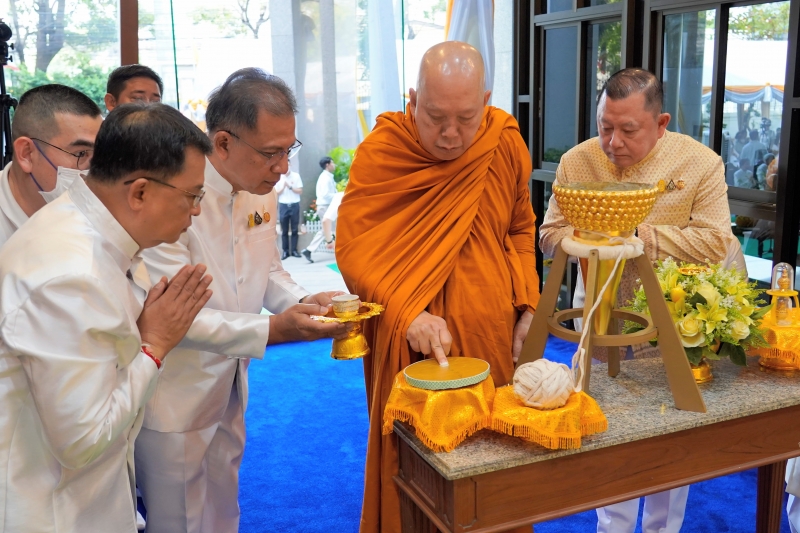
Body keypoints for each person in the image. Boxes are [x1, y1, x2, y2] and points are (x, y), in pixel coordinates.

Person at [135, 68, 350, 533]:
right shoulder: (171, 194)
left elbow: (268, 270)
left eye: (288, 150)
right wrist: (273, 329)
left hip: (231, 383)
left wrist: (307, 301)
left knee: (224, 510)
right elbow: (171, 317)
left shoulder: (260, 191)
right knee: (178, 522)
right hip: (175, 395)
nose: (283, 168)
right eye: (271, 153)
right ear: (223, 143)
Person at [336, 41, 540, 533]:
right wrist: (406, 312)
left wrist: (529, 306)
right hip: (413, 342)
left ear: (486, 102)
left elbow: (520, 228)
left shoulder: (503, 142)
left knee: (492, 463)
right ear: (412, 101)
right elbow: (354, 249)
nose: (450, 134)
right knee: (418, 472)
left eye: (466, 118)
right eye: (434, 117)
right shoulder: (383, 152)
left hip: (492, 332)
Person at [540, 68, 738, 533]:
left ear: (661, 123)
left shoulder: (700, 163)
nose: (613, 143)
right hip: (599, 310)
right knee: (606, 425)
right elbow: (549, 235)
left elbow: (716, 242)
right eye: (605, 127)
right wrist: (591, 238)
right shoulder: (578, 161)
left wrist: (636, 236)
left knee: (671, 431)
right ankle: (612, 525)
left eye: (628, 130)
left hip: (673, 314)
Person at [0, 102, 214, 532]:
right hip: (55, 510)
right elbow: (82, 441)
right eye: (192, 196)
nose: (196, 211)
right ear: (139, 192)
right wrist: (154, 347)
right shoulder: (71, 275)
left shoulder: (86, 225)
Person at [1, 84, 102, 244]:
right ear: (27, 154)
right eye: (81, 153)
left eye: (100, 154)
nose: (95, 169)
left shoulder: (98, 212)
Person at [302, 156, 337, 262]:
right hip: (325, 206)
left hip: (326, 206)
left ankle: (309, 250)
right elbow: (326, 194)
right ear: (327, 165)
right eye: (332, 163)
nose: (334, 165)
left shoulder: (327, 177)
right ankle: (309, 250)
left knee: (326, 229)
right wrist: (339, 195)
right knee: (327, 229)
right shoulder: (325, 178)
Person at [275, 168, 304, 258]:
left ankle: (294, 250)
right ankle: (285, 251)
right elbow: (276, 192)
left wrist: (290, 187)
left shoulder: (296, 176)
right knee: (284, 229)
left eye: (288, 165)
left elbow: (300, 191)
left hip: (294, 204)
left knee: (295, 229)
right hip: (283, 205)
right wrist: (283, 187)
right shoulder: (278, 176)